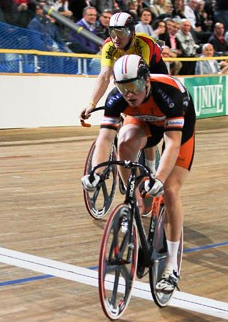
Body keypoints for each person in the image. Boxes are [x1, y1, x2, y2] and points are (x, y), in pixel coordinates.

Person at [81, 54, 196, 293]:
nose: (129, 94)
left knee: (171, 190)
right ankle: (135, 202)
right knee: (123, 143)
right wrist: (95, 173)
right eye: (123, 88)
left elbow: (173, 144)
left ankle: (172, 267)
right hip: (144, 121)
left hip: (176, 130)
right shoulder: (118, 98)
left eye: (134, 86)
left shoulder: (169, 93)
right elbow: (105, 139)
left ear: (147, 81)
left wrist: (160, 180)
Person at [80, 12, 168, 120]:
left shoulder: (143, 43)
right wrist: (92, 104)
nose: (116, 38)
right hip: (129, 65)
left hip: (155, 67)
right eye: (112, 33)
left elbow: (142, 77)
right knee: (119, 83)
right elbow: (104, 77)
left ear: (132, 33)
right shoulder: (108, 46)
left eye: (121, 33)